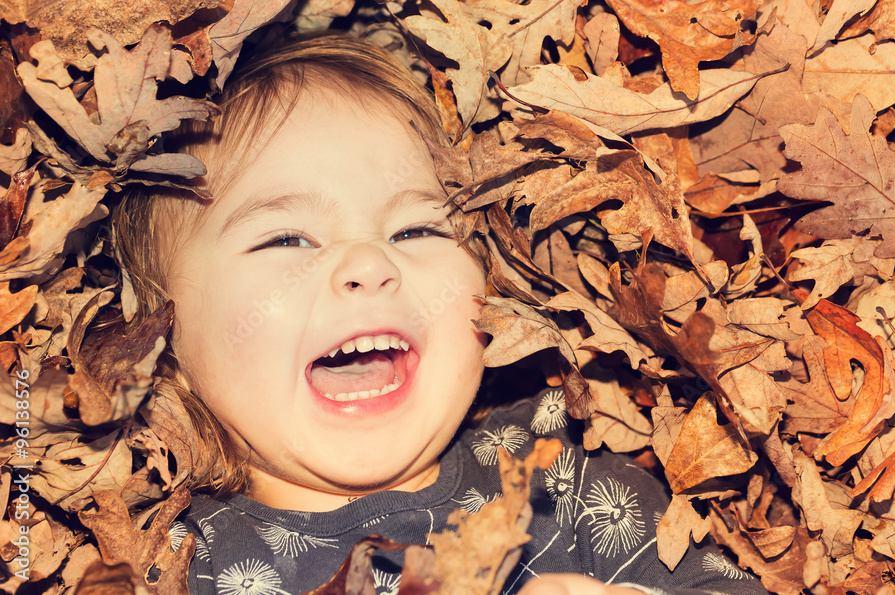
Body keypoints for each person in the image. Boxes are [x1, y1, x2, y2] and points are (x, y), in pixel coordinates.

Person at [109, 32, 768, 595]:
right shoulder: (175, 560)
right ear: (157, 344)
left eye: (416, 230)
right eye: (286, 240)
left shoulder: (556, 470)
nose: (368, 266)